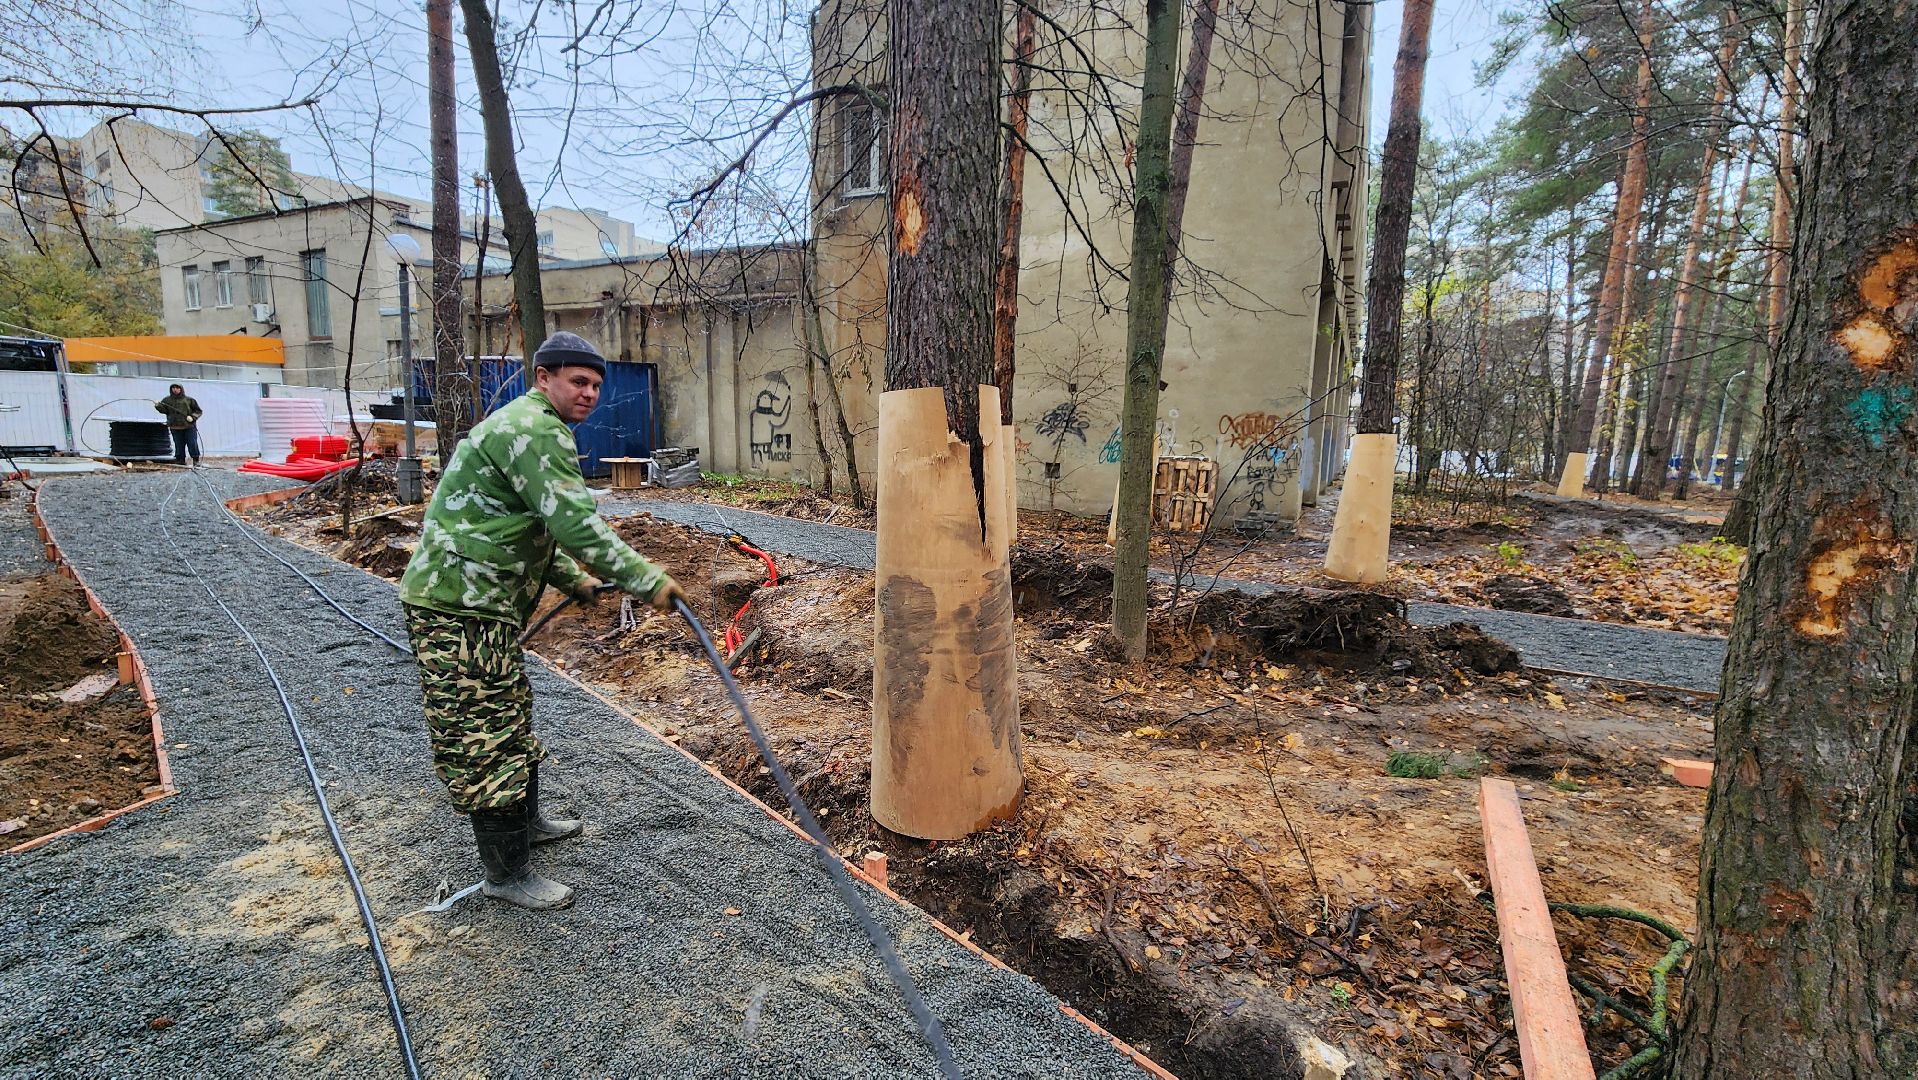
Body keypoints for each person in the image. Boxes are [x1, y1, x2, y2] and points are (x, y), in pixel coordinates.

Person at [398, 332, 685, 910]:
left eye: (597, 385)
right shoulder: (535, 429)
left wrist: (571, 580)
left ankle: (525, 825)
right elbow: (576, 524)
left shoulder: (529, 425)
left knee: (510, 713)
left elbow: (532, 522)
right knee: (485, 736)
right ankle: (505, 876)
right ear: (543, 378)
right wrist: (646, 579)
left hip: (482, 606)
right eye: (578, 381)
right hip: (459, 608)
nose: (590, 393)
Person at [154, 384, 203, 467]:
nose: (175, 389)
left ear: (181, 389)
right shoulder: (167, 400)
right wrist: (158, 406)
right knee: (178, 444)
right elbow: (164, 410)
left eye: (177, 388)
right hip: (175, 426)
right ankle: (180, 460)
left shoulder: (189, 400)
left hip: (189, 427)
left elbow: (198, 411)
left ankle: (195, 460)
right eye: (173, 388)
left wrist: (193, 417)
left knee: (192, 443)